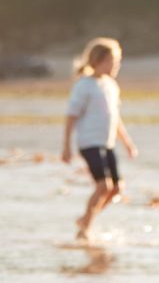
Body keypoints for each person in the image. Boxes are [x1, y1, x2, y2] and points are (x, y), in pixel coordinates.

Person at [61, 37, 138, 242]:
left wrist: (128, 143)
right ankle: (84, 228)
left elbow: (116, 118)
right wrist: (66, 146)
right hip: (89, 142)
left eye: (118, 61)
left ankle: (85, 219)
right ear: (99, 60)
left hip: (108, 142)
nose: (117, 65)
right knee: (103, 186)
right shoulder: (84, 85)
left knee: (116, 189)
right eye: (113, 61)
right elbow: (71, 116)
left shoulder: (111, 86)